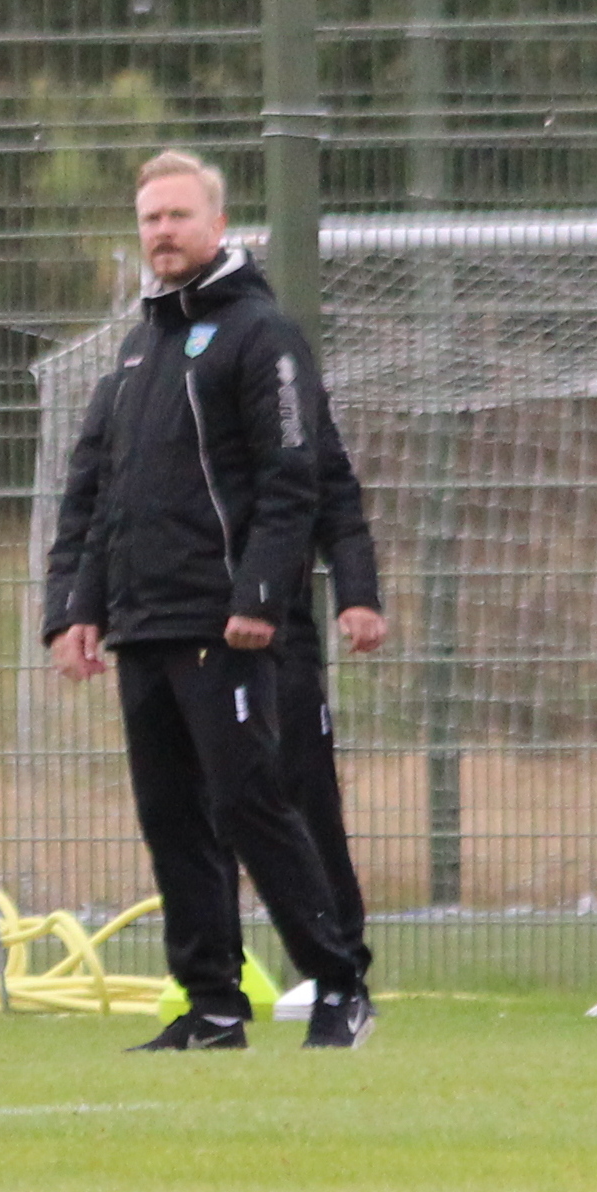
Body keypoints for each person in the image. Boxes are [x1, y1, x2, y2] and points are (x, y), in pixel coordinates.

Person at [42, 149, 375, 1050]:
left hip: (222, 623)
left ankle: (338, 981)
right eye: (150, 218)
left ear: (217, 225)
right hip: (143, 626)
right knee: (171, 819)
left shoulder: (259, 334)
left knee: (247, 804)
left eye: (178, 216)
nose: (162, 231)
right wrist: (74, 609)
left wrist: (260, 594)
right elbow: (95, 494)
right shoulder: (134, 350)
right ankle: (213, 1006)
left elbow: (293, 477)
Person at [262, 404, 388, 1016]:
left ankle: (339, 967)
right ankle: (211, 982)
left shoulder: (283, 377)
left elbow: (336, 495)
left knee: (305, 789)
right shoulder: (145, 375)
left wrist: (357, 592)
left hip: (277, 630)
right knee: (196, 805)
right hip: (179, 625)